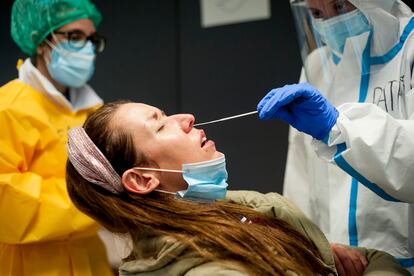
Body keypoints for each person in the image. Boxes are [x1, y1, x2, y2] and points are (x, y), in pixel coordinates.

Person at [65, 101, 409, 275]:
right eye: (160, 126)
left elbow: (373, 259)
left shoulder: (248, 211)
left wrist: (314, 254)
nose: (186, 118)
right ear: (141, 179)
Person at [257, 0, 414, 271]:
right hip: (336, 263)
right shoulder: (317, 65)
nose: (330, 22)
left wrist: (338, 126)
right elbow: (302, 179)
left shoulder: (409, 48)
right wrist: (311, 248)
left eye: (340, 6)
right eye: (317, 13)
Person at [0, 0, 112, 275]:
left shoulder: (94, 110)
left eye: (91, 39)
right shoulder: (8, 107)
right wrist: (96, 199)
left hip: (90, 260)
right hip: (29, 265)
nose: (86, 48)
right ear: (41, 42)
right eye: (74, 37)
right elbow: (7, 201)